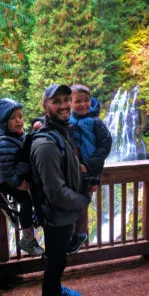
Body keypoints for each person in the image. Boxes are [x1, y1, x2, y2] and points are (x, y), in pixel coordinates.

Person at [30, 83, 91, 296]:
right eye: (57, 102)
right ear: (46, 106)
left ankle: (56, 292)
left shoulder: (61, 130)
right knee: (55, 263)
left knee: (58, 259)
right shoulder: (46, 144)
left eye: (67, 100)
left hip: (63, 213)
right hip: (57, 214)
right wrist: (83, 201)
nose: (64, 106)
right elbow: (56, 192)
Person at [33, 83, 112, 255]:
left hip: (90, 170)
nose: (83, 104)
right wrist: (39, 121)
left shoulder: (96, 123)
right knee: (72, 202)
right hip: (73, 170)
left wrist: (89, 166)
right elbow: (51, 120)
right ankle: (71, 234)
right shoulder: (68, 120)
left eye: (86, 101)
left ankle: (81, 234)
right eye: (77, 101)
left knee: (82, 204)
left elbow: (105, 146)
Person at [0, 98, 44, 257]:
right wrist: (17, 184)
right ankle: (27, 240)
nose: (19, 121)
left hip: (21, 176)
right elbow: (6, 169)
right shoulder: (5, 142)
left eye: (20, 116)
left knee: (35, 199)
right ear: (4, 122)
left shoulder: (18, 136)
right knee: (26, 202)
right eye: (13, 118)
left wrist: (36, 127)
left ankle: (33, 225)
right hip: (11, 182)